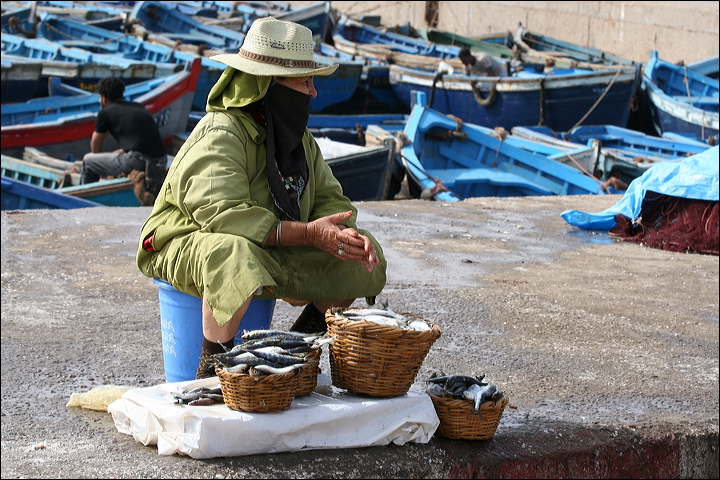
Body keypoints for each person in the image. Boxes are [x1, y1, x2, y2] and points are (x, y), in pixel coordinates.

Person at [135, 17, 388, 379]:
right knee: (234, 254)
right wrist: (309, 234)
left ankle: (294, 350)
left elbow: (331, 199)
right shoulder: (222, 131)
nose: (313, 92)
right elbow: (223, 215)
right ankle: (210, 373)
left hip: (267, 245)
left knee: (363, 256)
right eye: (304, 82)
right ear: (268, 85)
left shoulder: (299, 141)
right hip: (186, 243)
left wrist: (343, 232)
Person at [80, 77, 168, 204]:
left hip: (139, 161)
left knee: (88, 162)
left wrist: (100, 164)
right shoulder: (138, 106)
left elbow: (95, 149)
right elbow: (142, 139)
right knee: (116, 155)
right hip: (161, 161)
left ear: (103, 98)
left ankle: (84, 202)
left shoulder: (105, 113)